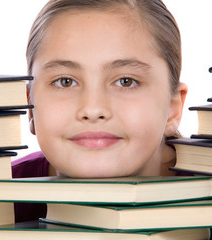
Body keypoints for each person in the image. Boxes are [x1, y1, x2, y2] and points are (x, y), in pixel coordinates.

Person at [12, 0, 188, 222]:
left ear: (173, 108)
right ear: (30, 106)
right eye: (65, 82)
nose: (93, 109)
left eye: (126, 81)